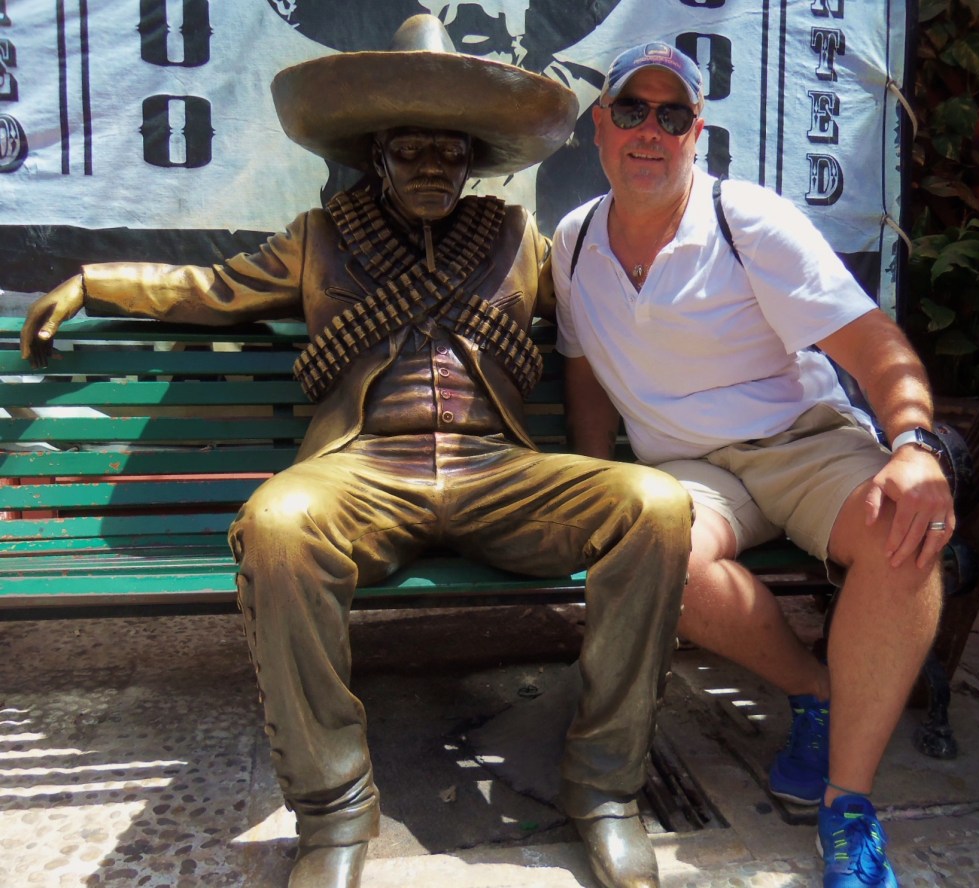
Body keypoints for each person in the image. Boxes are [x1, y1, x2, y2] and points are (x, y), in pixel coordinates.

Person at [20, 16, 692, 888]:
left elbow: (621, 303)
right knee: (277, 521)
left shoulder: (519, 242)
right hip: (365, 470)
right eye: (409, 151)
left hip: (498, 472)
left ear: (473, 158)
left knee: (656, 506)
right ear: (375, 154)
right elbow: (211, 292)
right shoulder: (322, 238)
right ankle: (334, 809)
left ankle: (605, 789)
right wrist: (95, 281)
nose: (429, 170)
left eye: (447, 153)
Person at [552, 41, 954, 888]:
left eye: (672, 115)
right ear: (600, 128)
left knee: (904, 536)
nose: (650, 132)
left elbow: (874, 344)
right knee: (650, 558)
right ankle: (815, 689)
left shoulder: (748, 221)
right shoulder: (575, 239)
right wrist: (596, 479)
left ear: (697, 132)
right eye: (632, 111)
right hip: (692, 471)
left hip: (801, 441)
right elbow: (583, 366)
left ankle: (849, 804)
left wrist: (913, 446)